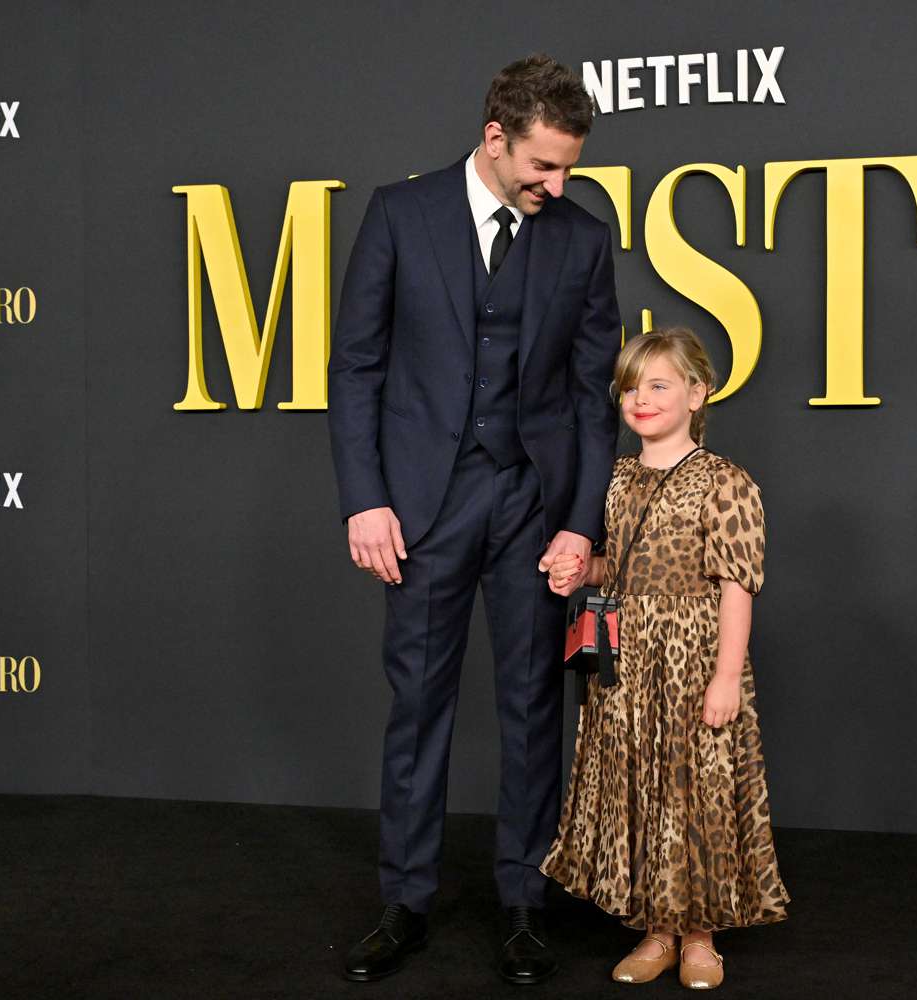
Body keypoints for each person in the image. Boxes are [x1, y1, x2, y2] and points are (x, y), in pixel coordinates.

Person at [327, 55, 620, 985]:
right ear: (495, 137)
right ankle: (406, 900)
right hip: (422, 504)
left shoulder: (581, 238)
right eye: (543, 165)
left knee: (535, 705)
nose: (556, 185)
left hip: (532, 504)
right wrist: (365, 498)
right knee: (419, 704)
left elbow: (589, 396)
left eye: (568, 168)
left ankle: (525, 903)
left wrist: (581, 523)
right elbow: (356, 370)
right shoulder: (398, 214)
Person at [540, 327, 790, 990]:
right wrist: (578, 570)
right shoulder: (616, 478)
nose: (639, 399)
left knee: (694, 792)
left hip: (694, 660)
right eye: (629, 387)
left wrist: (726, 676)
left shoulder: (726, 482)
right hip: (626, 665)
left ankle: (700, 935)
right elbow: (614, 566)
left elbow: (736, 585)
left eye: (657, 385)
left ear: (697, 393)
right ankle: (656, 929)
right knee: (641, 788)